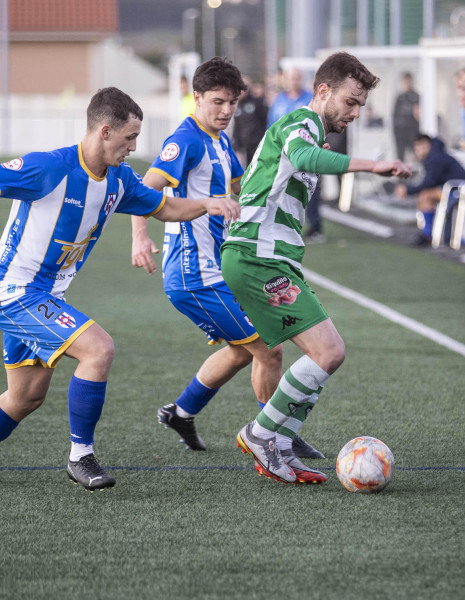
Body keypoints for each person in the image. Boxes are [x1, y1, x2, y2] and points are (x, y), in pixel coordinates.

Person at [0, 87, 240, 490]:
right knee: (98, 348)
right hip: (12, 291)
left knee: (24, 397)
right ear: (105, 131)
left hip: (45, 297)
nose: (134, 147)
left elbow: (165, 208)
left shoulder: (120, 179)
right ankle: (81, 457)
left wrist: (208, 204)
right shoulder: (51, 167)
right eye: (129, 138)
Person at [221, 52, 410, 484]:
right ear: (323, 91)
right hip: (256, 257)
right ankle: (263, 433)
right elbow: (306, 158)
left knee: (320, 354)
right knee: (329, 351)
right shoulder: (299, 125)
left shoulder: (303, 132)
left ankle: (280, 443)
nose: (355, 113)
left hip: (264, 256)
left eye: (361, 104)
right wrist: (370, 165)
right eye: (350, 101)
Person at [131, 58, 324, 463]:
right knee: (268, 349)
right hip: (193, 275)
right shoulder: (184, 141)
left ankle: (181, 413)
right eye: (217, 102)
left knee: (243, 349)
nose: (225, 111)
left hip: (220, 270)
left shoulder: (220, 142)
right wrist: (140, 237)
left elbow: (242, 188)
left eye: (231, 103)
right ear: (196, 97)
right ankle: (276, 435)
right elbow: (144, 189)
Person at [267, 67, 324, 241]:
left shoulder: (309, 99)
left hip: (307, 154)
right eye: (291, 78)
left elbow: (319, 123)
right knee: (282, 192)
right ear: (284, 80)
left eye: (297, 78)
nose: (294, 81)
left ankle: (315, 228)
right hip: (283, 156)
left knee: (310, 191)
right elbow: (271, 127)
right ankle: (285, 228)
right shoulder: (278, 100)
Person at [395, 134, 465, 245]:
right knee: (424, 195)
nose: (417, 151)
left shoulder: (436, 158)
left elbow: (429, 182)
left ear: (426, 145)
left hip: (461, 191)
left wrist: (408, 190)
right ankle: (429, 233)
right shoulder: (433, 156)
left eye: (419, 148)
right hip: (451, 189)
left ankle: (428, 234)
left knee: (425, 195)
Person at [232, 75, 267, 168]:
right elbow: (236, 128)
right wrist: (237, 148)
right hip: (243, 147)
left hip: (258, 145)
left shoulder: (258, 102)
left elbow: (265, 121)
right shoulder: (235, 105)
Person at [392, 72, 420, 162]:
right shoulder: (399, 97)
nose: (406, 84)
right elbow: (394, 115)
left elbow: (419, 115)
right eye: (405, 82)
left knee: (417, 154)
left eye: (408, 82)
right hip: (400, 132)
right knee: (400, 154)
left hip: (413, 131)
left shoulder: (416, 97)